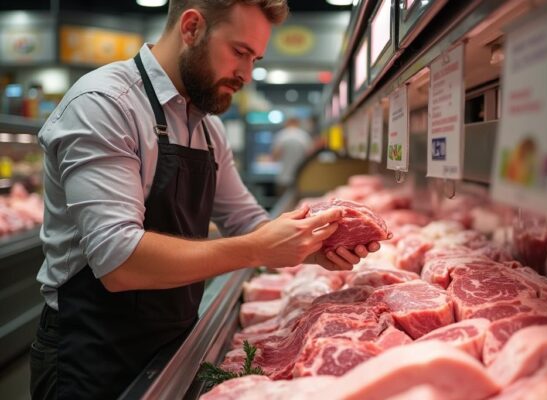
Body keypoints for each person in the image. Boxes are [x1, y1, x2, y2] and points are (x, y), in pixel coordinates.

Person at [29, 1, 383, 399]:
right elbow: (119, 259)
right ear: (192, 27)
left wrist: (311, 245)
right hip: (92, 355)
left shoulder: (207, 128)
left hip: (172, 341)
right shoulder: (104, 105)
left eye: (256, 59)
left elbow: (246, 219)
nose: (247, 74)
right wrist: (257, 250)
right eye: (240, 53)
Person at [272, 116, 313, 193]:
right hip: (301, 178)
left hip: (283, 177)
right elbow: (309, 156)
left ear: (287, 123)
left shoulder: (281, 135)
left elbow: (275, 156)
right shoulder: (304, 136)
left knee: (283, 202)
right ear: (298, 124)